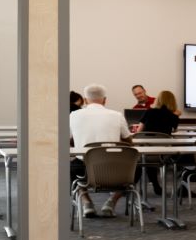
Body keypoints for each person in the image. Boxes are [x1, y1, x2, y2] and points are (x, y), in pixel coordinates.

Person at [69, 83, 131, 217]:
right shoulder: (117, 115)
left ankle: (87, 203)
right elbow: (129, 141)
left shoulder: (74, 115)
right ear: (105, 100)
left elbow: (68, 140)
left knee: (69, 169)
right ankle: (111, 202)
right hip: (114, 170)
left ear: (85, 100)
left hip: (84, 171)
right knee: (135, 169)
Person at [134, 89, 180, 198]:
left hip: (146, 151)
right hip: (163, 154)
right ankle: (156, 186)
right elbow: (174, 131)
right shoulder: (173, 116)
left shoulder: (149, 112)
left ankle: (130, 186)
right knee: (151, 156)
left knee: (143, 158)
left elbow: (139, 132)